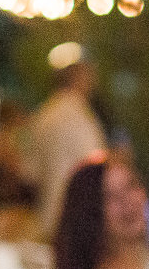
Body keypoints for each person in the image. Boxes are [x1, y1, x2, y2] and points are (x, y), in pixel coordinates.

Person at [26, 57, 108, 238]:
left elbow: (30, 174)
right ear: (78, 78)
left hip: (46, 217)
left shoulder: (43, 114)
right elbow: (96, 167)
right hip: (76, 221)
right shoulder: (80, 115)